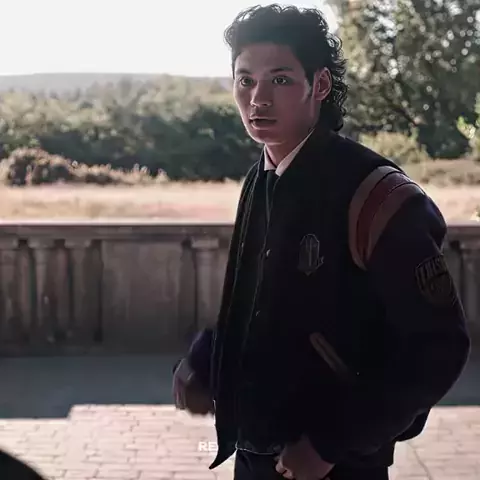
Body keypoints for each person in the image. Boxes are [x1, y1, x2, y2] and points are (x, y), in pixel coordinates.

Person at [172, 4, 471, 480]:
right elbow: (261, 302)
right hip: (254, 451)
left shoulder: (377, 195)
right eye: (245, 80)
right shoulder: (260, 178)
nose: (258, 99)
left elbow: (439, 347)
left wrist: (333, 441)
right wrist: (207, 360)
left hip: (335, 465)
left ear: (321, 85)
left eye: (280, 79)